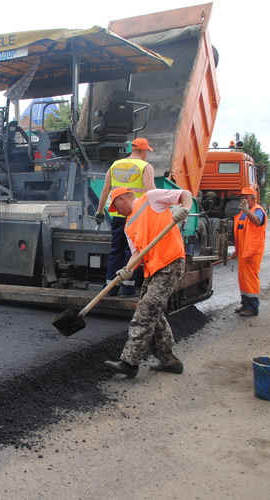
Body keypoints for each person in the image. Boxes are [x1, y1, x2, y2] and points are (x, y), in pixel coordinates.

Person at [103, 186, 192, 378]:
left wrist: (184, 209)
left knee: (145, 311)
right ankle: (170, 361)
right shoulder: (128, 226)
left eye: (116, 207)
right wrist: (128, 269)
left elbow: (186, 194)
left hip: (171, 262)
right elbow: (137, 253)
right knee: (153, 313)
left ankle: (129, 362)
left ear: (122, 200)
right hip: (153, 270)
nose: (116, 211)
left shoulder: (151, 198)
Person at [94, 137, 156, 296]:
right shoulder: (145, 167)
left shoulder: (115, 165)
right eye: (147, 152)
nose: (147, 155)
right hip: (137, 216)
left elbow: (105, 191)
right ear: (143, 151)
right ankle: (127, 288)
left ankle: (110, 288)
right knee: (133, 250)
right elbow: (151, 193)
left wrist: (100, 211)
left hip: (117, 215)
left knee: (116, 250)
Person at [233, 187, 266, 317]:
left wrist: (247, 212)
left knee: (251, 279)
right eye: (242, 198)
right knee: (243, 279)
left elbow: (257, 221)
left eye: (246, 198)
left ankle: (253, 308)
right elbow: (240, 233)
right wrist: (237, 250)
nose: (243, 200)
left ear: (253, 199)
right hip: (243, 252)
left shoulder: (258, 211)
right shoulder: (243, 213)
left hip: (253, 251)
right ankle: (245, 304)